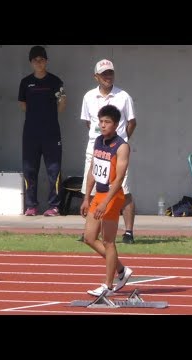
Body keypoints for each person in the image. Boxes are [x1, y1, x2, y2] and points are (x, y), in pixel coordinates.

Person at [80, 59, 137, 243]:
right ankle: (90, 231)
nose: (108, 77)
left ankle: (128, 231)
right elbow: (88, 123)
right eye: (104, 74)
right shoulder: (88, 96)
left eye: (110, 73)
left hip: (116, 151)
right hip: (95, 149)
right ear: (96, 76)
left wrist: (120, 143)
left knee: (123, 190)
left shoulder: (123, 96)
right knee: (93, 188)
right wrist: (101, 142)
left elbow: (132, 122)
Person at [80, 104, 133, 296]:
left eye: (107, 122)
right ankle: (121, 270)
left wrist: (105, 202)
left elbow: (119, 179)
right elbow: (93, 171)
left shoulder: (122, 146)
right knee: (88, 237)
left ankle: (108, 286)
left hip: (112, 195)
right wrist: (87, 197)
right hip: (99, 194)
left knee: (108, 241)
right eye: (101, 121)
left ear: (116, 124)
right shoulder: (98, 142)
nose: (103, 125)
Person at [18, 45, 67, 216]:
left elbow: (62, 105)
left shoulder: (55, 81)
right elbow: (23, 105)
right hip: (31, 133)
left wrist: (56, 107)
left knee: (54, 170)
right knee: (30, 169)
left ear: (46, 61)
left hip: (51, 133)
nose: (39, 63)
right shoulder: (25, 82)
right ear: (31, 62)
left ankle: (54, 206)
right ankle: (31, 205)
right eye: (35, 60)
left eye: (41, 60)